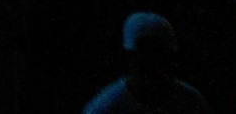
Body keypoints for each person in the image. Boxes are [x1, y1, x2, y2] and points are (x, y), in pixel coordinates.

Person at [83, 11, 211, 112]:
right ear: (128, 58)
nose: (151, 65)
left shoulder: (192, 103)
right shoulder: (104, 107)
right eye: (144, 56)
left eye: (158, 56)